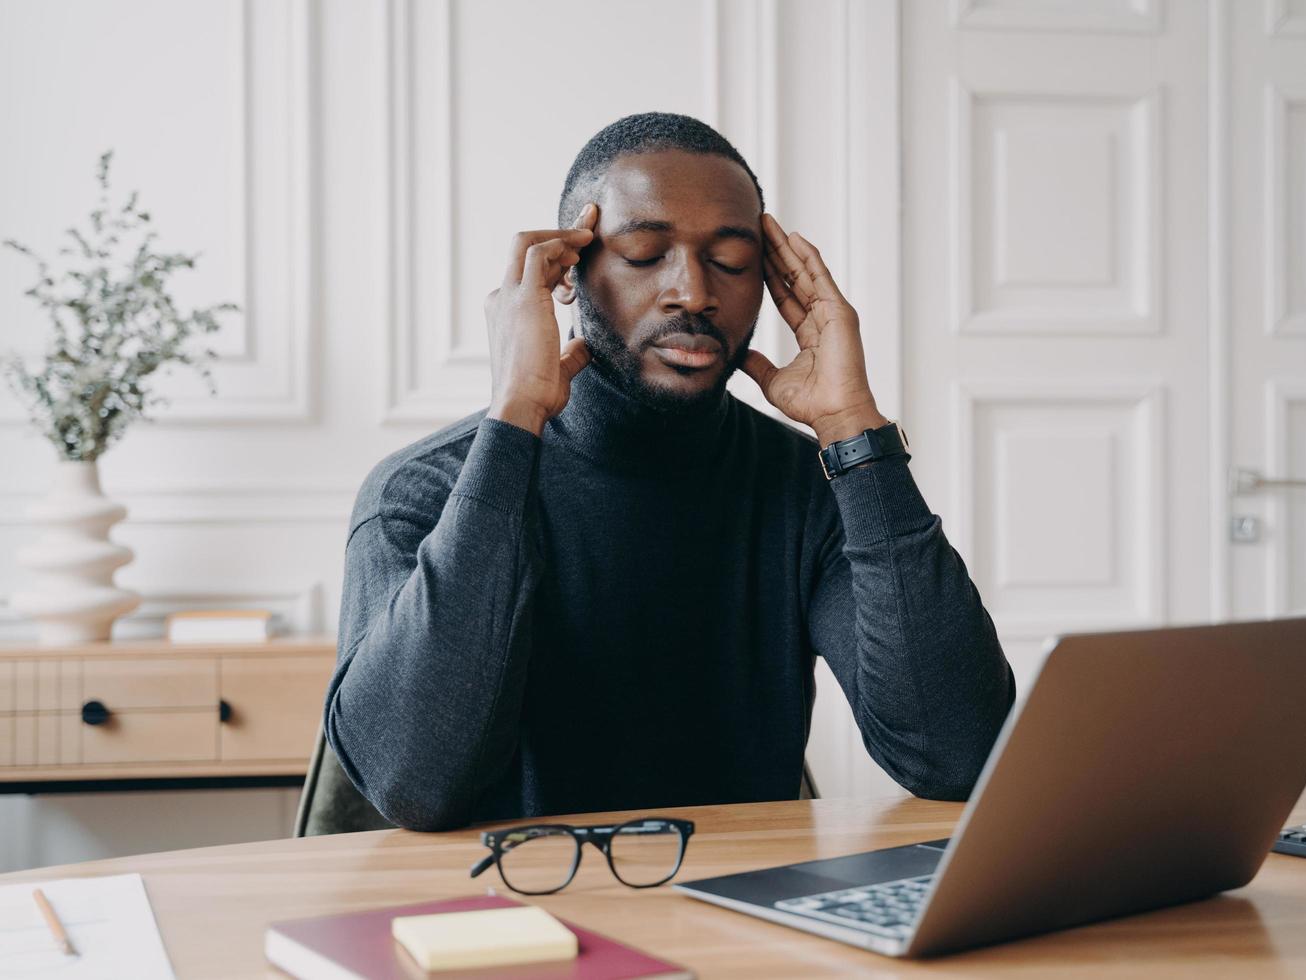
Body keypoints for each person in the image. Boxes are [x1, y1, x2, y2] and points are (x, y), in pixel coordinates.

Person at [326, 112, 1014, 832]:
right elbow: (415, 784)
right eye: (647, 253)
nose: (693, 291)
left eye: (731, 260)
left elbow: (961, 756)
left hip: (741, 920)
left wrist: (854, 430)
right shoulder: (421, 493)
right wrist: (513, 420)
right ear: (566, 276)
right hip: (507, 920)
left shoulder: (804, 488)